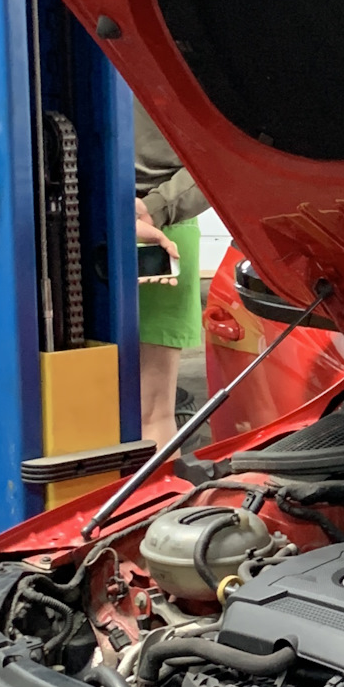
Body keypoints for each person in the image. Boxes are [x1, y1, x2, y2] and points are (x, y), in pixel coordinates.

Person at [130, 102, 211, 444]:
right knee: (150, 414)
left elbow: (214, 159)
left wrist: (155, 208)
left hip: (155, 224)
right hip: (152, 216)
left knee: (149, 413)